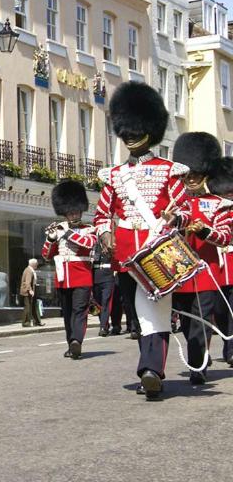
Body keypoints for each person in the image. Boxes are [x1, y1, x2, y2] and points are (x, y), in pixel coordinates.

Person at [92, 81, 190, 401]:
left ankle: (151, 371)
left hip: (156, 251)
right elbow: (102, 212)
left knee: (155, 313)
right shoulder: (114, 175)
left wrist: (174, 218)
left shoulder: (168, 171)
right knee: (137, 317)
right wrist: (105, 233)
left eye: (136, 128)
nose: (131, 135)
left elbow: (184, 210)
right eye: (126, 130)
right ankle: (150, 367)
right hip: (124, 254)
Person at [171, 133, 232, 385]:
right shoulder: (176, 204)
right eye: (188, 174)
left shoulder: (219, 205)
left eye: (196, 174)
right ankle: (198, 354)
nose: (191, 178)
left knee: (202, 321)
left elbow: (225, 236)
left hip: (206, 273)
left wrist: (204, 231)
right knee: (187, 323)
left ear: (206, 174)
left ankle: (198, 365)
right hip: (180, 272)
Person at [43, 180, 97, 359]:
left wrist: (66, 233)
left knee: (79, 310)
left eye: (76, 211)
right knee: (67, 313)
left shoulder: (89, 229)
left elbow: (88, 244)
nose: (73, 215)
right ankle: (71, 343)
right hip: (63, 276)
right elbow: (46, 255)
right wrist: (51, 239)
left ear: (81, 210)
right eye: (70, 212)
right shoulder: (58, 229)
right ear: (65, 212)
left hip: (82, 274)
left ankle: (77, 341)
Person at [207, 158, 233, 366]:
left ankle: (231, 349)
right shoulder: (212, 208)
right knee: (219, 311)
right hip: (215, 265)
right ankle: (227, 339)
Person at [91, 241, 117, 337]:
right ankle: (104, 323)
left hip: (108, 277)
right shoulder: (94, 246)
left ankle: (103, 327)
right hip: (95, 277)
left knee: (105, 301)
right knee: (98, 304)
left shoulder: (110, 245)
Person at [20, 259, 42, 327]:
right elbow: (27, 282)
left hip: (32, 291)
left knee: (34, 307)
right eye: (36, 264)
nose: (37, 265)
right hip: (28, 292)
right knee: (28, 307)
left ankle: (37, 322)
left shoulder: (31, 270)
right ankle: (25, 323)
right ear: (33, 264)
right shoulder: (29, 271)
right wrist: (30, 290)